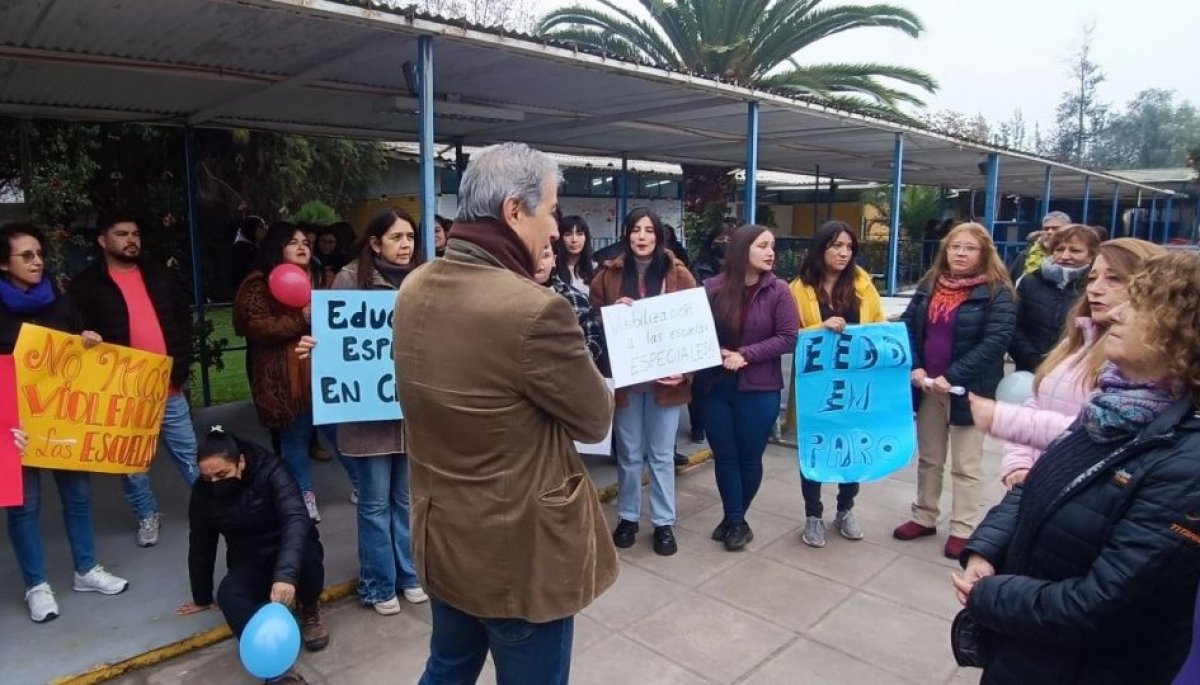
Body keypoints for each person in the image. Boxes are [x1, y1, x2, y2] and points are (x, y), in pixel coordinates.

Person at [392, 142, 615, 684]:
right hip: (518, 558)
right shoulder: (534, 310)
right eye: (551, 211)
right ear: (514, 210)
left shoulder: (415, 286)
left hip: (445, 539)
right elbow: (595, 418)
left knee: (447, 667)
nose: (555, 229)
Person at [953, 250, 1200, 684]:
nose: (1115, 313)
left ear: (1185, 333)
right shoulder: (1114, 409)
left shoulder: (1186, 463)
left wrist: (990, 595)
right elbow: (1043, 481)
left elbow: (1103, 604)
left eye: (1138, 305)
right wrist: (986, 549)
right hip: (1028, 649)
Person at [298, 208, 427, 615]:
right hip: (367, 413)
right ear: (375, 242)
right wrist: (314, 344)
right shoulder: (350, 279)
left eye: (410, 237)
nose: (405, 245)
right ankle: (378, 583)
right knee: (374, 503)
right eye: (396, 237)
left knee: (405, 500)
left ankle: (409, 575)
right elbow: (334, 338)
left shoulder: (424, 279)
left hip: (410, 413)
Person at [0, 223, 128, 623]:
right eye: (27, 255)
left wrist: (88, 340)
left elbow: (77, 349)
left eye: (39, 254)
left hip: (64, 421)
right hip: (14, 426)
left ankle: (86, 569)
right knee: (24, 506)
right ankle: (36, 586)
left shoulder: (59, 300)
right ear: (3, 263)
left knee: (78, 494)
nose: (37, 261)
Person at [971, 239, 1164, 489]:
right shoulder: (1077, 341)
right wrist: (1019, 465)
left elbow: (1100, 432)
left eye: (1114, 279)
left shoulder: (1142, 358)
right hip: (1038, 484)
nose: (1095, 289)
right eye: (1092, 278)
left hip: (1082, 491)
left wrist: (1004, 419)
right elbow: (1035, 402)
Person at [69, 212, 199, 548]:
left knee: (189, 454)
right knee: (131, 463)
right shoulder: (85, 285)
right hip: (122, 392)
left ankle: (214, 507)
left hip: (168, 387)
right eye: (122, 233)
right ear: (102, 240)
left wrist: (181, 362)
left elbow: (182, 319)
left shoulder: (160, 276)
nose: (132, 240)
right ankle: (147, 515)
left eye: (136, 233)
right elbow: (74, 331)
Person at [893, 222, 1016, 560]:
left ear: (984, 253)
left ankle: (963, 528)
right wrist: (916, 366)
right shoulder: (929, 284)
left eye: (969, 248)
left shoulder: (997, 292)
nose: (960, 253)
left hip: (969, 391)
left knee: (966, 464)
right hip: (929, 388)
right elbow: (907, 325)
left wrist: (952, 375)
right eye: (954, 247)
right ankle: (924, 516)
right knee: (929, 459)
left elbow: (996, 341)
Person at [178, 427, 328, 685]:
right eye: (207, 477)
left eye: (222, 475)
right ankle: (278, 670)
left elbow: (295, 518)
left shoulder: (272, 470)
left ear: (241, 462)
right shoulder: (202, 493)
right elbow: (201, 542)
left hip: (288, 547)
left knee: (308, 559)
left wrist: (285, 576)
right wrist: (201, 596)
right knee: (229, 595)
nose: (214, 483)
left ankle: (309, 609)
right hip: (248, 556)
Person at [591, 207, 696, 556]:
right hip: (627, 381)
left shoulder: (678, 273)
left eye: (649, 230)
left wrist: (686, 372)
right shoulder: (608, 274)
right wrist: (612, 314)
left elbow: (696, 326)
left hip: (666, 382)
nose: (642, 236)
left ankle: (664, 523)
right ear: (626, 234)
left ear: (659, 236)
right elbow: (591, 318)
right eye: (636, 229)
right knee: (630, 454)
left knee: (662, 455)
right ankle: (628, 517)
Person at [786, 220, 886, 547]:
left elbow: (879, 327)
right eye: (836, 246)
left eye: (849, 247)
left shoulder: (863, 284)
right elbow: (787, 335)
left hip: (854, 386)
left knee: (852, 447)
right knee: (815, 448)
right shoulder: (798, 288)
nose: (844, 253)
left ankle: (845, 509)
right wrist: (819, 327)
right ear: (820, 249)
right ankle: (812, 514)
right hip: (815, 386)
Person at [702, 225, 798, 551]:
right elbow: (695, 330)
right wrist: (715, 351)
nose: (770, 252)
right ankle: (735, 520)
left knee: (749, 457)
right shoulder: (712, 288)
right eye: (762, 246)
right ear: (743, 249)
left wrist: (745, 355)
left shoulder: (779, 291)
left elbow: (788, 337)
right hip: (716, 386)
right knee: (725, 456)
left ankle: (735, 519)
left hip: (759, 388)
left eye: (773, 246)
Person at [233, 222, 322, 522]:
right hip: (284, 378)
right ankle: (303, 496)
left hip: (323, 372)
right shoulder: (258, 284)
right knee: (295, 437)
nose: (302, 247)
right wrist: (301, 318)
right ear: (277, 247)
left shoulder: (319, 278)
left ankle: (362, 485)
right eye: (293, 242)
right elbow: (257, 327)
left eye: (306, 242)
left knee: (338, 433)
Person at [1009, 224, 1100, 372]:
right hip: (1030, 369)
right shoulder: (1030, 282)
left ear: (1091, 255)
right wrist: (1033, 360)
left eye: (1075, 250)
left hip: (1078, 371)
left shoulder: (1096, 288)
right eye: (1059, 249)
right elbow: (1013, 326)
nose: (1065, 256)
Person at [687, 223, 736, 443]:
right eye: (720, 239)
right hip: (704, 329)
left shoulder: (741, 269)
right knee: (700, 383)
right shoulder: (699, 267)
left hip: (731, 332)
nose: (724, 243)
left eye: (729, 240)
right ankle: (697, 425)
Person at [535, 242, 605, 370]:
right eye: (533, 256)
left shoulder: (575, 298)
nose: (539, 263)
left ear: (554, 260)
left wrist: (572, 363)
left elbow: (593, 339)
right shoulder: (512, 298)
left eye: (545, 256)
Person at [1007, 210, 1070, 283]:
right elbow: (1010, 284)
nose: (1049, 232)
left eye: (1055, 228)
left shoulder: (1073, 257)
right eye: (1046, 229)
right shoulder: (1024, 256)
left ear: (1067, 231)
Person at [553, 214, 596, 295]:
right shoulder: (552, 268)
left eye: (579, 234)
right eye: (568, 235)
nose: (574, 240)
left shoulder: (595, 268)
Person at [230, 215, 267, 296]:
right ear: (252, 230)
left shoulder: (256, 247)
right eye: (261, 227)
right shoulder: (243, 249)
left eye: (265, 226)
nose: (265, 229)